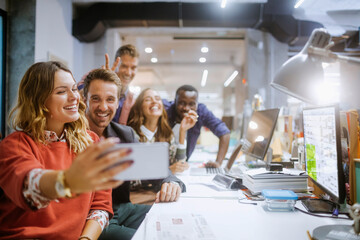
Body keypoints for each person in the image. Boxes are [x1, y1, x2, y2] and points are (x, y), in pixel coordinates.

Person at [0, 61, 133, 239]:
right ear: (40, 100)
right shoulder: (15, 145)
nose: (74, 97)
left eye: (73, 89)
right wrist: (68, 182)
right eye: (61, 92)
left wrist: (85, 239)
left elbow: (100, 206)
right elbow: (30, 188)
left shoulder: (90, 141)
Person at [82, 68, 186, 240]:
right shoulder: (72, 135)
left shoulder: (124, 134)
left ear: (118, 103)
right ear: (84, 100)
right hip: (91, 218)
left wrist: (171, 182)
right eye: (95, 99)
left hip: (124, 208)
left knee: (173, 222)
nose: (103, 107)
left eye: (110, 99)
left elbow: (156, 169)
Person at [128, 88, 198, 174]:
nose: (154, 102)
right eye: (148, 99)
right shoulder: (131, 135)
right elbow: (135, 176)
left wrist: (183, 130)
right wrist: (168, 170)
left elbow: (179, 164)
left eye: (157, 99)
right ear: (140, 108)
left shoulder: (166, 134)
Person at [163, 85, 231, 168]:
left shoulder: (201, 112)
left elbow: (224, 133)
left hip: (182, 164)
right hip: (163, 164)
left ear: (197, 104)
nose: (186, 108)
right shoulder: (165, 112)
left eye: (191, 104)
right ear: (175, 101)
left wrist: (218, 162)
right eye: (182, 103)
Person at [104, 44, 139, 125]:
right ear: (116, 64)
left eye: (133, 68)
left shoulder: (133, 101)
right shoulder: (95, 77)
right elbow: (81, 94)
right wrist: (103, 82)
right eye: (124, 66)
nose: (128, 72)